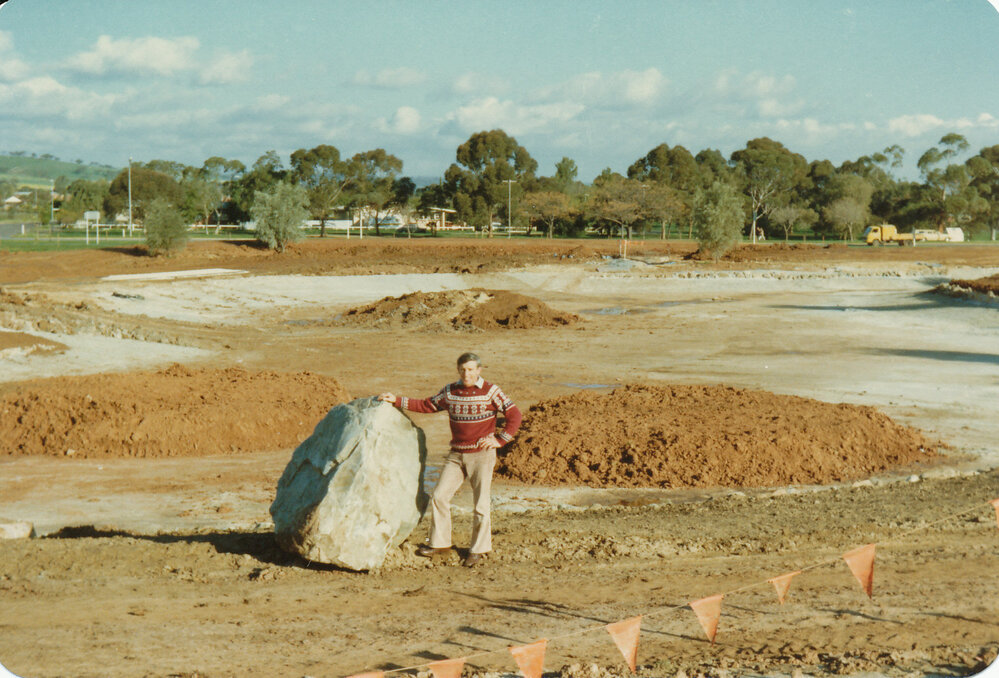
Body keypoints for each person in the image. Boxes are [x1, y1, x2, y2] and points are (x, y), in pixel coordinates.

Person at [377, 352, 521, 567]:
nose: (467, 373)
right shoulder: (450, 391)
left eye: (471, 369)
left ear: (479, 370)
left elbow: (514, 415)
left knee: (480, 504)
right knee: (439, 496)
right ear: (458, 370)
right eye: (463, 369)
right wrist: (397, 400)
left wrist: (500, 440)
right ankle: (439, 543)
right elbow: (427, 405)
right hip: (456, 454)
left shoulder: (491, 391)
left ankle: (478, 550)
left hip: (481, 455)